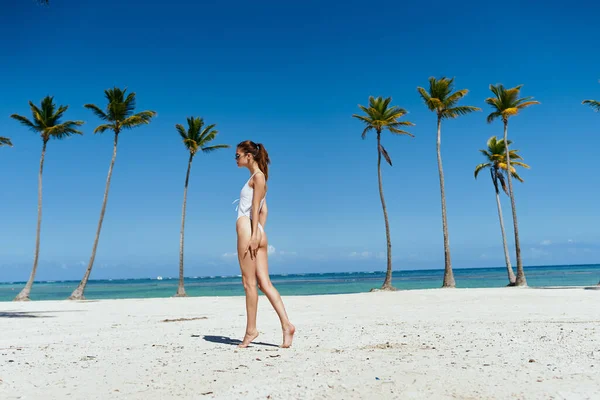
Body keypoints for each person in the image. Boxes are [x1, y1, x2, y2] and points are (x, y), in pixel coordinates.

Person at [234, 140, 295, 348]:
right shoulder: (260, 178)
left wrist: (252, 235)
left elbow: (254, 207)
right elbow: (264, 210)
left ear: (248, 156)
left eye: (238, 155)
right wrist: (259, 232)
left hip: (249, 231)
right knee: (264, 284)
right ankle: (287, 325)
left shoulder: (257, 177)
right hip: (258, 231)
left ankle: (251, 330)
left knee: (249, 283)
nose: (236, 159)